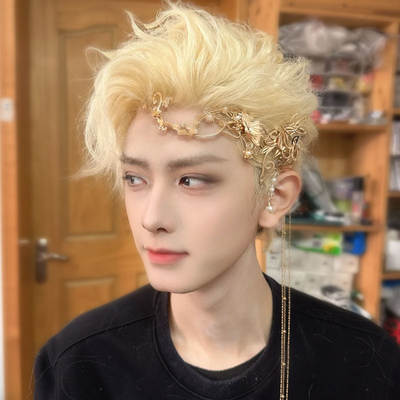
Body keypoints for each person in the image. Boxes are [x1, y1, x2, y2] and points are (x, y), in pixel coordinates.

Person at [33, 1, 400, 399]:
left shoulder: (364, 363)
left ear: (276, 197)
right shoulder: (79, 364)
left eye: (191, 180)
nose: (151, 218)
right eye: (135, 178)